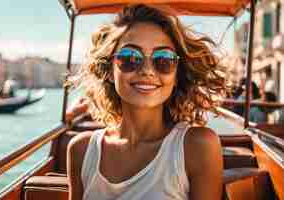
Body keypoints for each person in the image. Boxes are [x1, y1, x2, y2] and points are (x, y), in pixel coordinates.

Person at [66, 4, 226, 200]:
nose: (147, 71)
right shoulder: (81, 150)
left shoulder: (198, 146)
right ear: (108, 70)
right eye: (130, 58)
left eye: (164, 59)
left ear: (176, 75)